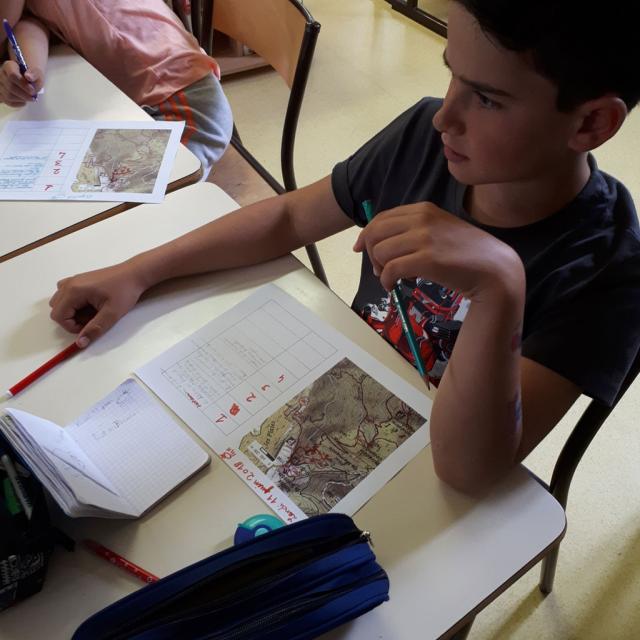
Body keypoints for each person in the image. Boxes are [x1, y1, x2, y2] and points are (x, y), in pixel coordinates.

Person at [48, 0, 640, 495]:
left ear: (590, 125)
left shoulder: (608, 267)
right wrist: (138, 272)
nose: (446, 117)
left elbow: (469, 472)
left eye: (486, 99)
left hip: (438, 479)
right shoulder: (423, 136)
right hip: (331, 405)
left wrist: (501, 286)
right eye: (452, 74)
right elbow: (286, 218)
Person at [0, 0, 233, 178]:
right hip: (131, 106)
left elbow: (6, 23)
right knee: (68, 180)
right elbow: (28, 23)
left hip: (185, 103)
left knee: (142, 199)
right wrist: (30, 71)